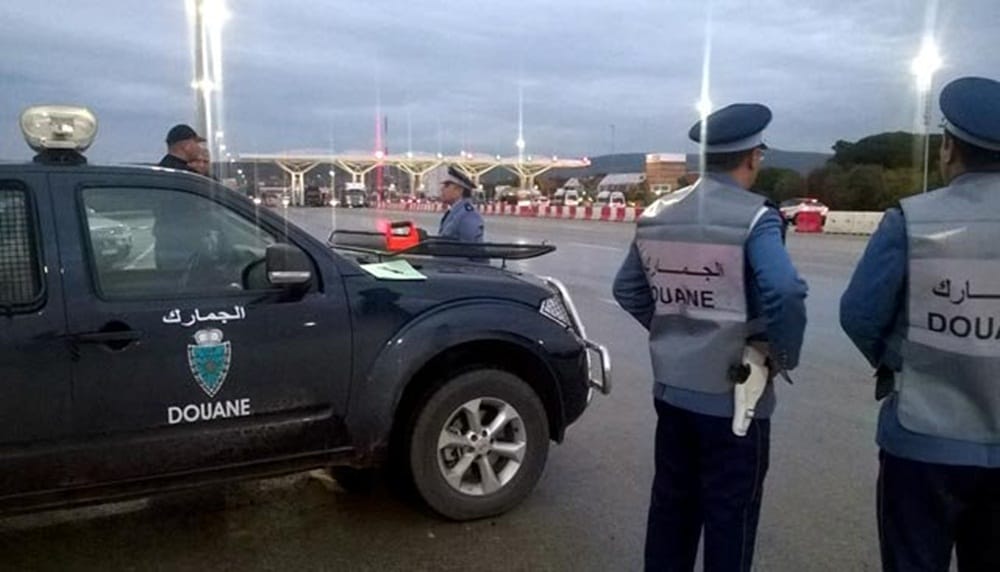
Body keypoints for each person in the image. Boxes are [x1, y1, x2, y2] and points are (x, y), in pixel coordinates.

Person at [613, 103, 808, 572]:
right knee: (729, 520)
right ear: (754, 156)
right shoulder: (756, 217)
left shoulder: (658, 214)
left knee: (670, 513)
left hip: (673, 394)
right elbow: (783, 290)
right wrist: (780, 354)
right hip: (734, 401)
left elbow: (627, 289)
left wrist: (678, 330)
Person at [840, 76, 1000, 572]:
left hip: (922, 439)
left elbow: (859, 314)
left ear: (948, 148)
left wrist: (903, 361)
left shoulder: (911, 219)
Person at [438, 166, 484, 243]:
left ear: (459, 190)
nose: (442, 189)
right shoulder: (457, 212)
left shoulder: (468, 215)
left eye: (447, 185)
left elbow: (469, 247)